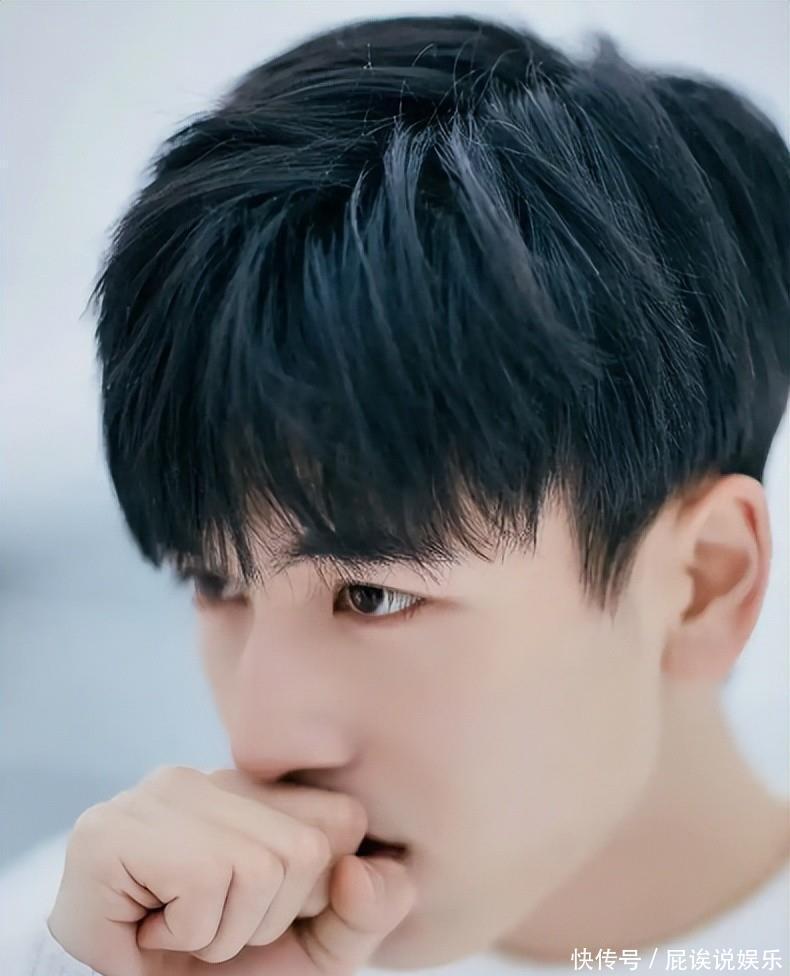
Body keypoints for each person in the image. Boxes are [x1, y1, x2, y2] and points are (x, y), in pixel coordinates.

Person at [2, 11, 788, 976]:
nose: (260, 737)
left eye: (373, 595)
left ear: (703, 582)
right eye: (215, 584)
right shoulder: (81, 935)